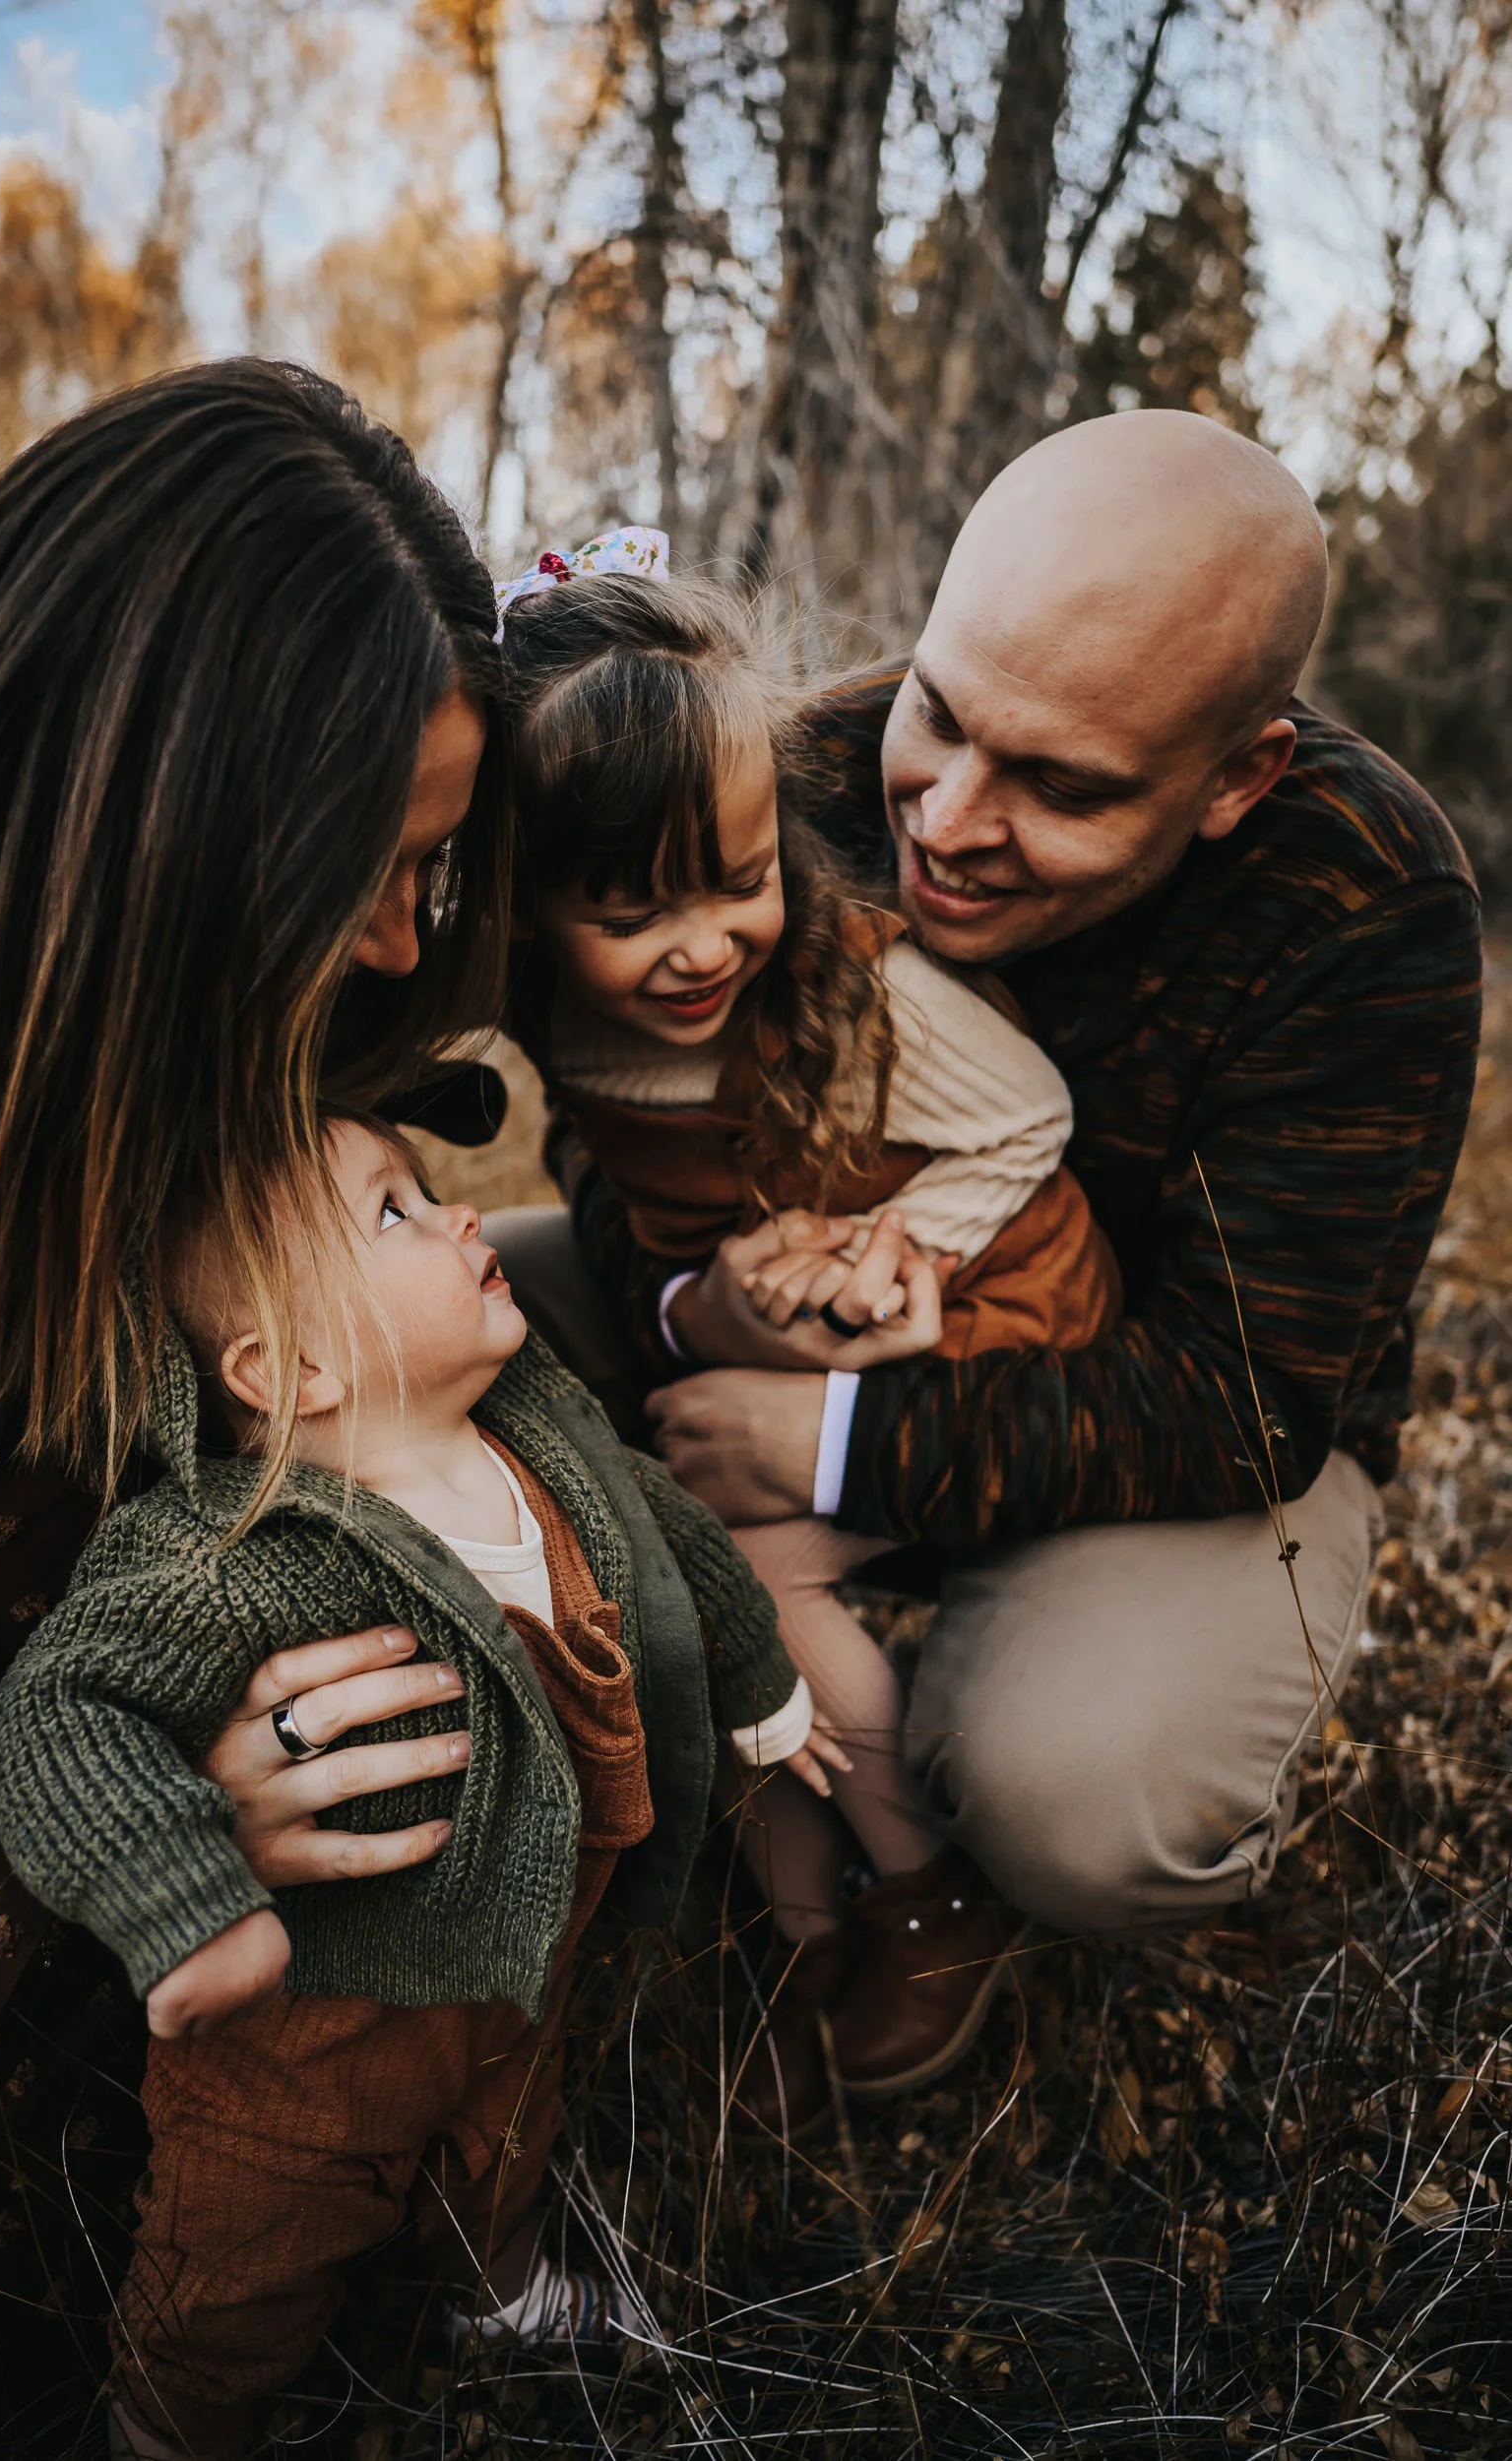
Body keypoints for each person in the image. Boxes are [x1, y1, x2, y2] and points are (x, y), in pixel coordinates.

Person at [485, 411, 1481, 2128]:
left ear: (1236, 774)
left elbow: (1242, 1395)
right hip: (797, 1312)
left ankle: (952, 1826)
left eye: (1063, 786)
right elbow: (612, 1095)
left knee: (1069, 1791)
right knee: (454, 1309)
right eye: (942, 713)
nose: (944, 816)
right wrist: (688, 1312)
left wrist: (835, 1451)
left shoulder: (1362, 907)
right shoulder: (801, 766)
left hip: (1168, 1432)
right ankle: (644, 1745)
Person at [0, 361, 519, 2452]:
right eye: (368, 865)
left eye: (437, 857)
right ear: (149, 838)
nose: (407, 937)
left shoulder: (224, 1064)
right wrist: (140, 1832)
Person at [0, 1113, 821, 2460]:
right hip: (309, 2047)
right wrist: (185, 1899)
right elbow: (64, 1710)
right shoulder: (234, 1557)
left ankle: (503, 2297)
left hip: (517, 1963)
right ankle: (168, 2424)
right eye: (394, 1213)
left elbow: (669, 1538)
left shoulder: (537, 1447)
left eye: (429, 1192)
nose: (460, 1218)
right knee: (239, 2262)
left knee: (507, 2141)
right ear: (290, 1368)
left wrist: (761, 1687)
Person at [497, 548, 1119, 2127]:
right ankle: (799, 1920)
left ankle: (917, 1887)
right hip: (786, 1316)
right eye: (629, 910)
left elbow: (1028, 1122)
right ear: (526, 900)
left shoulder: (856, 987)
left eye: (736, 883)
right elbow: (641, 1212)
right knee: (683, 1556)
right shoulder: (551, 1016)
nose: (700, 947)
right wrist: (710, 1303)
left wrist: (889, 1251)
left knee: (748, 1569)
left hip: (982, 1309)